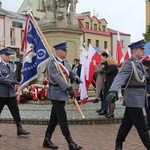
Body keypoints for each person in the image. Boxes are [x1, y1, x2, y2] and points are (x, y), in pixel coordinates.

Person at [106, 39, 150, 150]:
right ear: (135, 51)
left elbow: (145, 78)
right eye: (141, 49)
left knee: (127, 124)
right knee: (142, 126)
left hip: (137, 97)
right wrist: (113, 90)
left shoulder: (138, 64)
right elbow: (120, 77)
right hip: (133, 98)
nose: (143, 51)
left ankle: (118, 144)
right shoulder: (129, 64)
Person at [43, 42, 82, 150]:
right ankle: (70, 143)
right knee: (62, 118)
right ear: (58, 51)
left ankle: (47, 140)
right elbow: (56, 78)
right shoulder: (52, 63)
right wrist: (68, 87)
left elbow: (70, 72)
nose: (66, 52)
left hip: (61, 94)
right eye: (64, 50)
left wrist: (76, 77)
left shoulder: (65, 63)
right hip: (55, 94)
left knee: (54, 118)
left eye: (66, 50)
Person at [0, 48, 30, 136]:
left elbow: (14, 77)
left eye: (9, 55)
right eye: (6, 55)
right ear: (1, 55)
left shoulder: (11, 65)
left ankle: (19, 128)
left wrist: (18, 75)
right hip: (1, 93)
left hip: (10, 93)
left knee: (15, 111)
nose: (8, 56)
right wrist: (10, 82)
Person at [142, 59, 150, 130]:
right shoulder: (146, 72)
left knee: (148, 110)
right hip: (146, 92)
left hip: (148, 93)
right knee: (147, 110)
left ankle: (149, 125)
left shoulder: (148, 72)